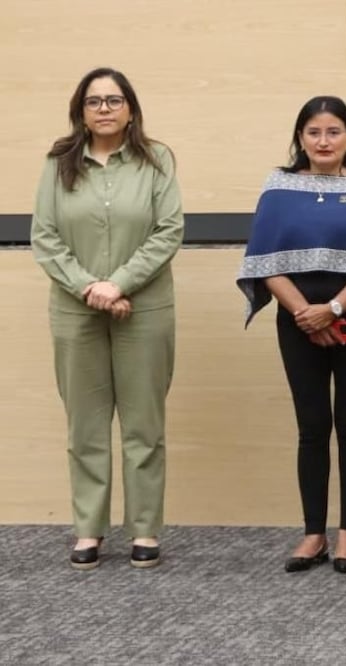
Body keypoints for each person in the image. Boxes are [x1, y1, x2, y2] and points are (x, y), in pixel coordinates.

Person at [237, 96, 346, 574]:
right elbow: (263, 258)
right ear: (300, 139)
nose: (323, 141)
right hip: (297, 323)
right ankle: (313, 533)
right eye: (313, 132)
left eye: (334, 132)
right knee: (311, 427)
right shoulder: (278, 187)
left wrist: (332, 309)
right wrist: (304, 313)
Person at [31, 67, 184, 570]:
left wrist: (118, 284)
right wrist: (91, 288)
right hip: (76, 311)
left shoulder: (157, 160)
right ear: (80, 111)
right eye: (93, 101)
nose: (103, 108)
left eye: (113, 100)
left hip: (144, 309)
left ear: (131, 109)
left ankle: (144, 529)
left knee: (144, 425)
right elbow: (45, 237)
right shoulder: (58, 164)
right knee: (86, 427)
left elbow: (168, 230)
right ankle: (88, 530)